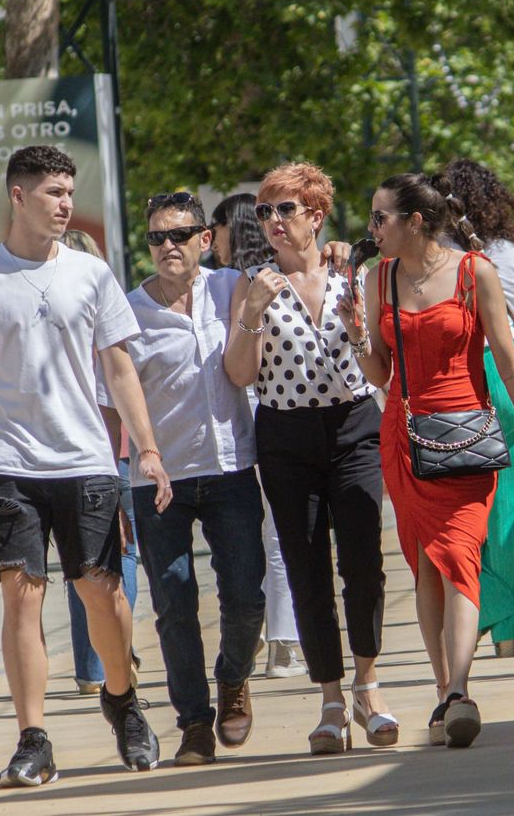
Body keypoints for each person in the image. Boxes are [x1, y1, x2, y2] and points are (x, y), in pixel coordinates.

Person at [0, 145, 172, 787]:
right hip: (8, 464)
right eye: (52, 192)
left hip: (87, 461)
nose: (66, 203)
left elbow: (120, 369)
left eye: (69, 191)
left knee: (103, 594)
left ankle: (123, 701)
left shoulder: (90, 275)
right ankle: (33, 738)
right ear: (18, 196)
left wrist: (146, 450)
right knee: (23, 597)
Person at [348, 173, 514, 749]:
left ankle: (459, 690)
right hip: (406, 437)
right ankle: (444, 694)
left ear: (414, 221)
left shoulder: (474, 271)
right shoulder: (379, 278)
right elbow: (383, 374)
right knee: (427, 565)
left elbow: (509, 360)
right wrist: (355, 336)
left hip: (467, 435)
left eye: (381, 217)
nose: (373, 229)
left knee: (459, 555)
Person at [224, 162, 394, 755]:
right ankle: (329, 699)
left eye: (285, 210)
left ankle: (368, 688)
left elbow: (381, 368)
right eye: (264, 212)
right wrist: (249, 318)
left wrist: (360, 330)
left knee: (363, 561)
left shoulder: (354, 274)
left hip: (353, 427)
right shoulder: (254, 283)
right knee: (304, 566)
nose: (271, 221)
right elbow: (240, 374)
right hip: (286, 435)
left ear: (316, 217)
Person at [97, 191, 268, 766]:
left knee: (247, 596)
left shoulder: (231, 289)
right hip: (158, 481)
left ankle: (233, 677)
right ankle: (194, 723)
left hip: (231, 469)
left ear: (204, 239)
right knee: (174, 605)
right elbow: (111, 407)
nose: (167, 246)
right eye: (156, 237)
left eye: (180, 235)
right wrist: (114, 483)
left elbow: (292, 272)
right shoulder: (126, 310)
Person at [433, 159, 514, 658]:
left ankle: (475, 610)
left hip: (460, 376)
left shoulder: (437, 254)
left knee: (467, 499)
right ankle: (511, 632)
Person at [211, 192, 307, 679]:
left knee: (269, 529)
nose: (213, 238)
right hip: (258, 407)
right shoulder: (252, 278)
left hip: (257, 407)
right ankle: (279, 638)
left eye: (218, 226)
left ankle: (283, 637)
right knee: (270, 528)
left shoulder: (243, 280)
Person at [54, 227, 141, 697]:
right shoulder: (107, 316)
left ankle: (92, 670)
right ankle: (118, 657)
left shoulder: (53, 321)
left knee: (80, 566)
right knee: (119, 557)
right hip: (116, 453)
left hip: (68, 454)